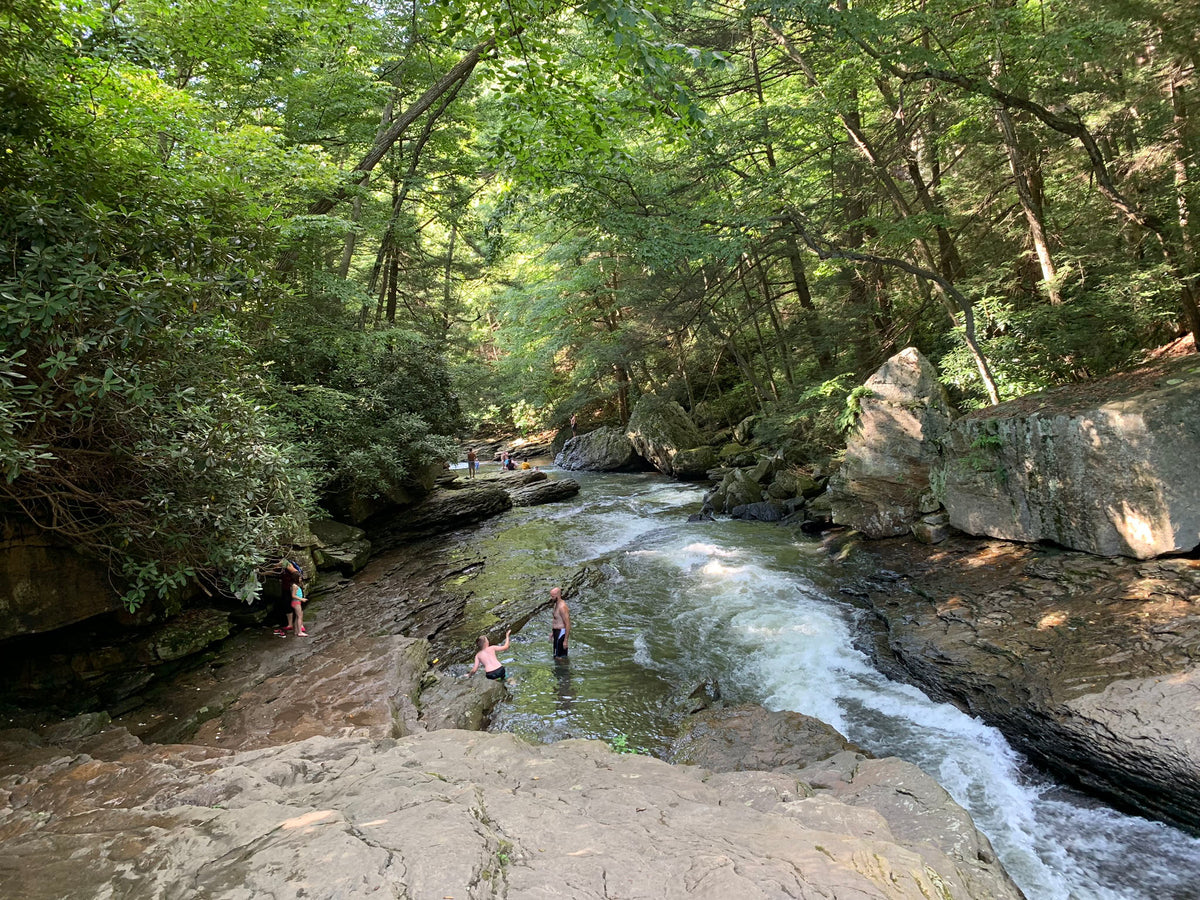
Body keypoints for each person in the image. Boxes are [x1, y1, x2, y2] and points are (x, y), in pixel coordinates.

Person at [274, 558, 307, 637]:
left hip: (291, 592)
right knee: (298, 614)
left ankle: (298, 628)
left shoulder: (287, 564)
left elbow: (295, 572)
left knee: (298, 614)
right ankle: (298, 630)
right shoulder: (295, 586)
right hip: (293, 596)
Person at [550, 587, 570, 658]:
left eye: (553, 596)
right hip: (556, 632)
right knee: (556, 655)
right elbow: (556, 619)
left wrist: (565, 640)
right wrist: (553, 632)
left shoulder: (562, 607)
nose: (551, 598)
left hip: (561, 633)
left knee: (560, 657)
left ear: (558, 596)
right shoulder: (556, 604)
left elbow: (567, 624)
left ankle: (564, 668)